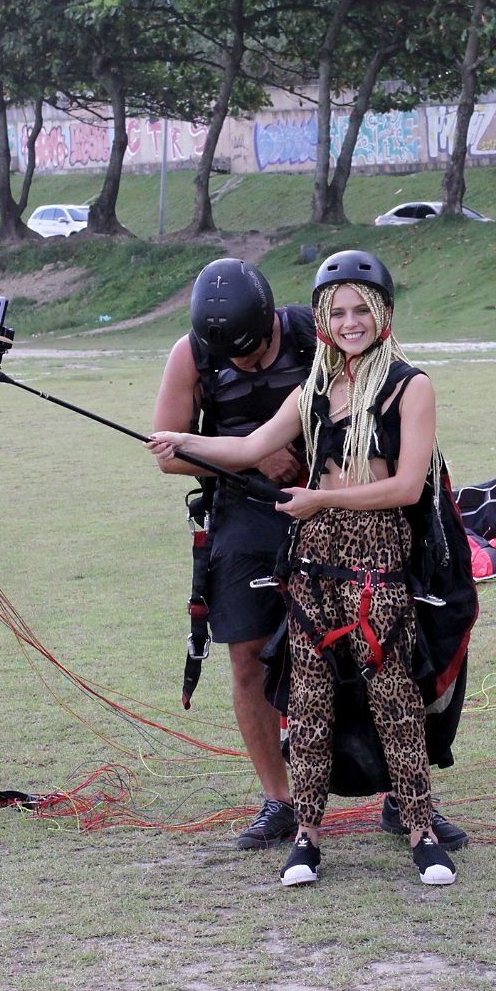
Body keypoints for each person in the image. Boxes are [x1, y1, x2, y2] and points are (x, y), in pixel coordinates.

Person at [149, 250, 465, 887]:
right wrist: (182, 443)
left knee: (392, 688)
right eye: (338, 312)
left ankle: (418, 822)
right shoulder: (312, 386)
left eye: (361, 310)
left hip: (373, 553)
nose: (349, 322)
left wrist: (321, 498)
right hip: (310, 555)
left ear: (384, 314)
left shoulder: (411, 384)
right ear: (322, 320)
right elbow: (244, 447)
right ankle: (304, 831)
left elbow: (407, 488)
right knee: (311, 696)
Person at [152, 258, 317, 849]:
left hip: (327, 498)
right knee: (247, 658)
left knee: (359, 643)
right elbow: (169, 451)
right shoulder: (191, 353)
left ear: (272, 319)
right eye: (234, 359)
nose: (245, 365)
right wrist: (249, 456)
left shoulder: (310, 331)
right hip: (243, 512)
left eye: (254, 352)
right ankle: (280, 799)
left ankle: (397, 788)